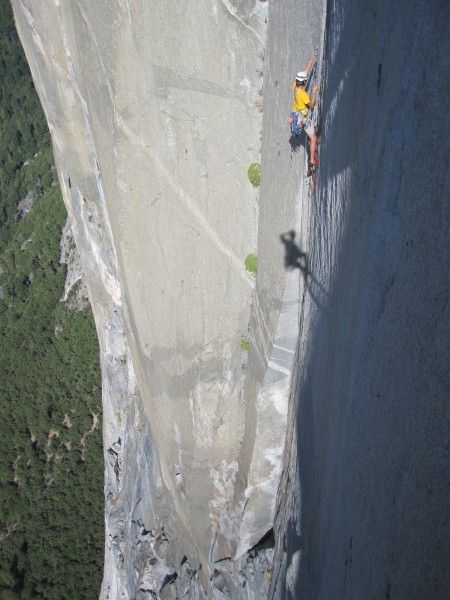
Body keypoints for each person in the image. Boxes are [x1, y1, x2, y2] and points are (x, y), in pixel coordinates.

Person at [291, 49, 319, 165]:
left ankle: (312, 150)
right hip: (304, 119)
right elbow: (311, 105)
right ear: (303, 83)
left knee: (309, 135)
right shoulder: (303, 94)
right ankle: (312, 159)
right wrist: (314, 91)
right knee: (313, 138)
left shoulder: (295, 86)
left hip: (297, 115)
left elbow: (305, 72)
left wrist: (312, 58)